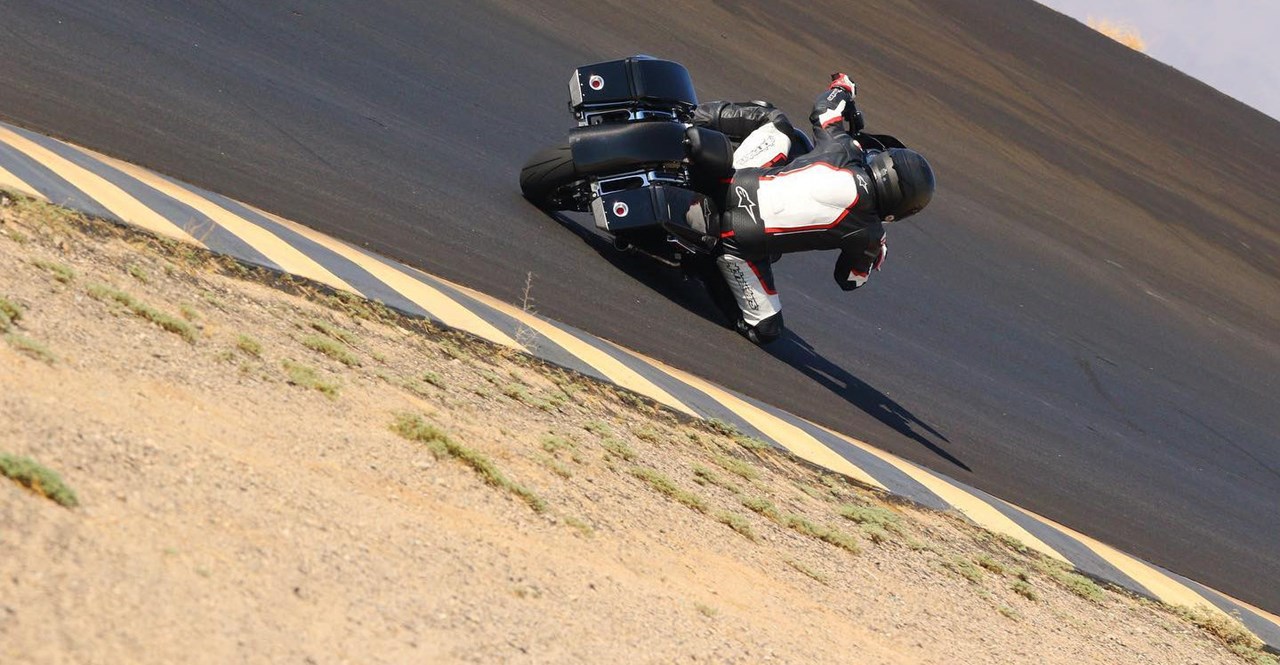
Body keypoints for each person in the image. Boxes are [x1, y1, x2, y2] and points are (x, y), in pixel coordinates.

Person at [689, 73, 935, 344]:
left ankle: (692, 117)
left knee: (776, 122)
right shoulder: (870, 236)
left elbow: (824, 109)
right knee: (765, 329)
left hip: (734, 179)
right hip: (736, 243)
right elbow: (849, 280)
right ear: (900, 209)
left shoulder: (842, 148)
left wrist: (842, 87)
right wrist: (875, 256)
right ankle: (705, 264)